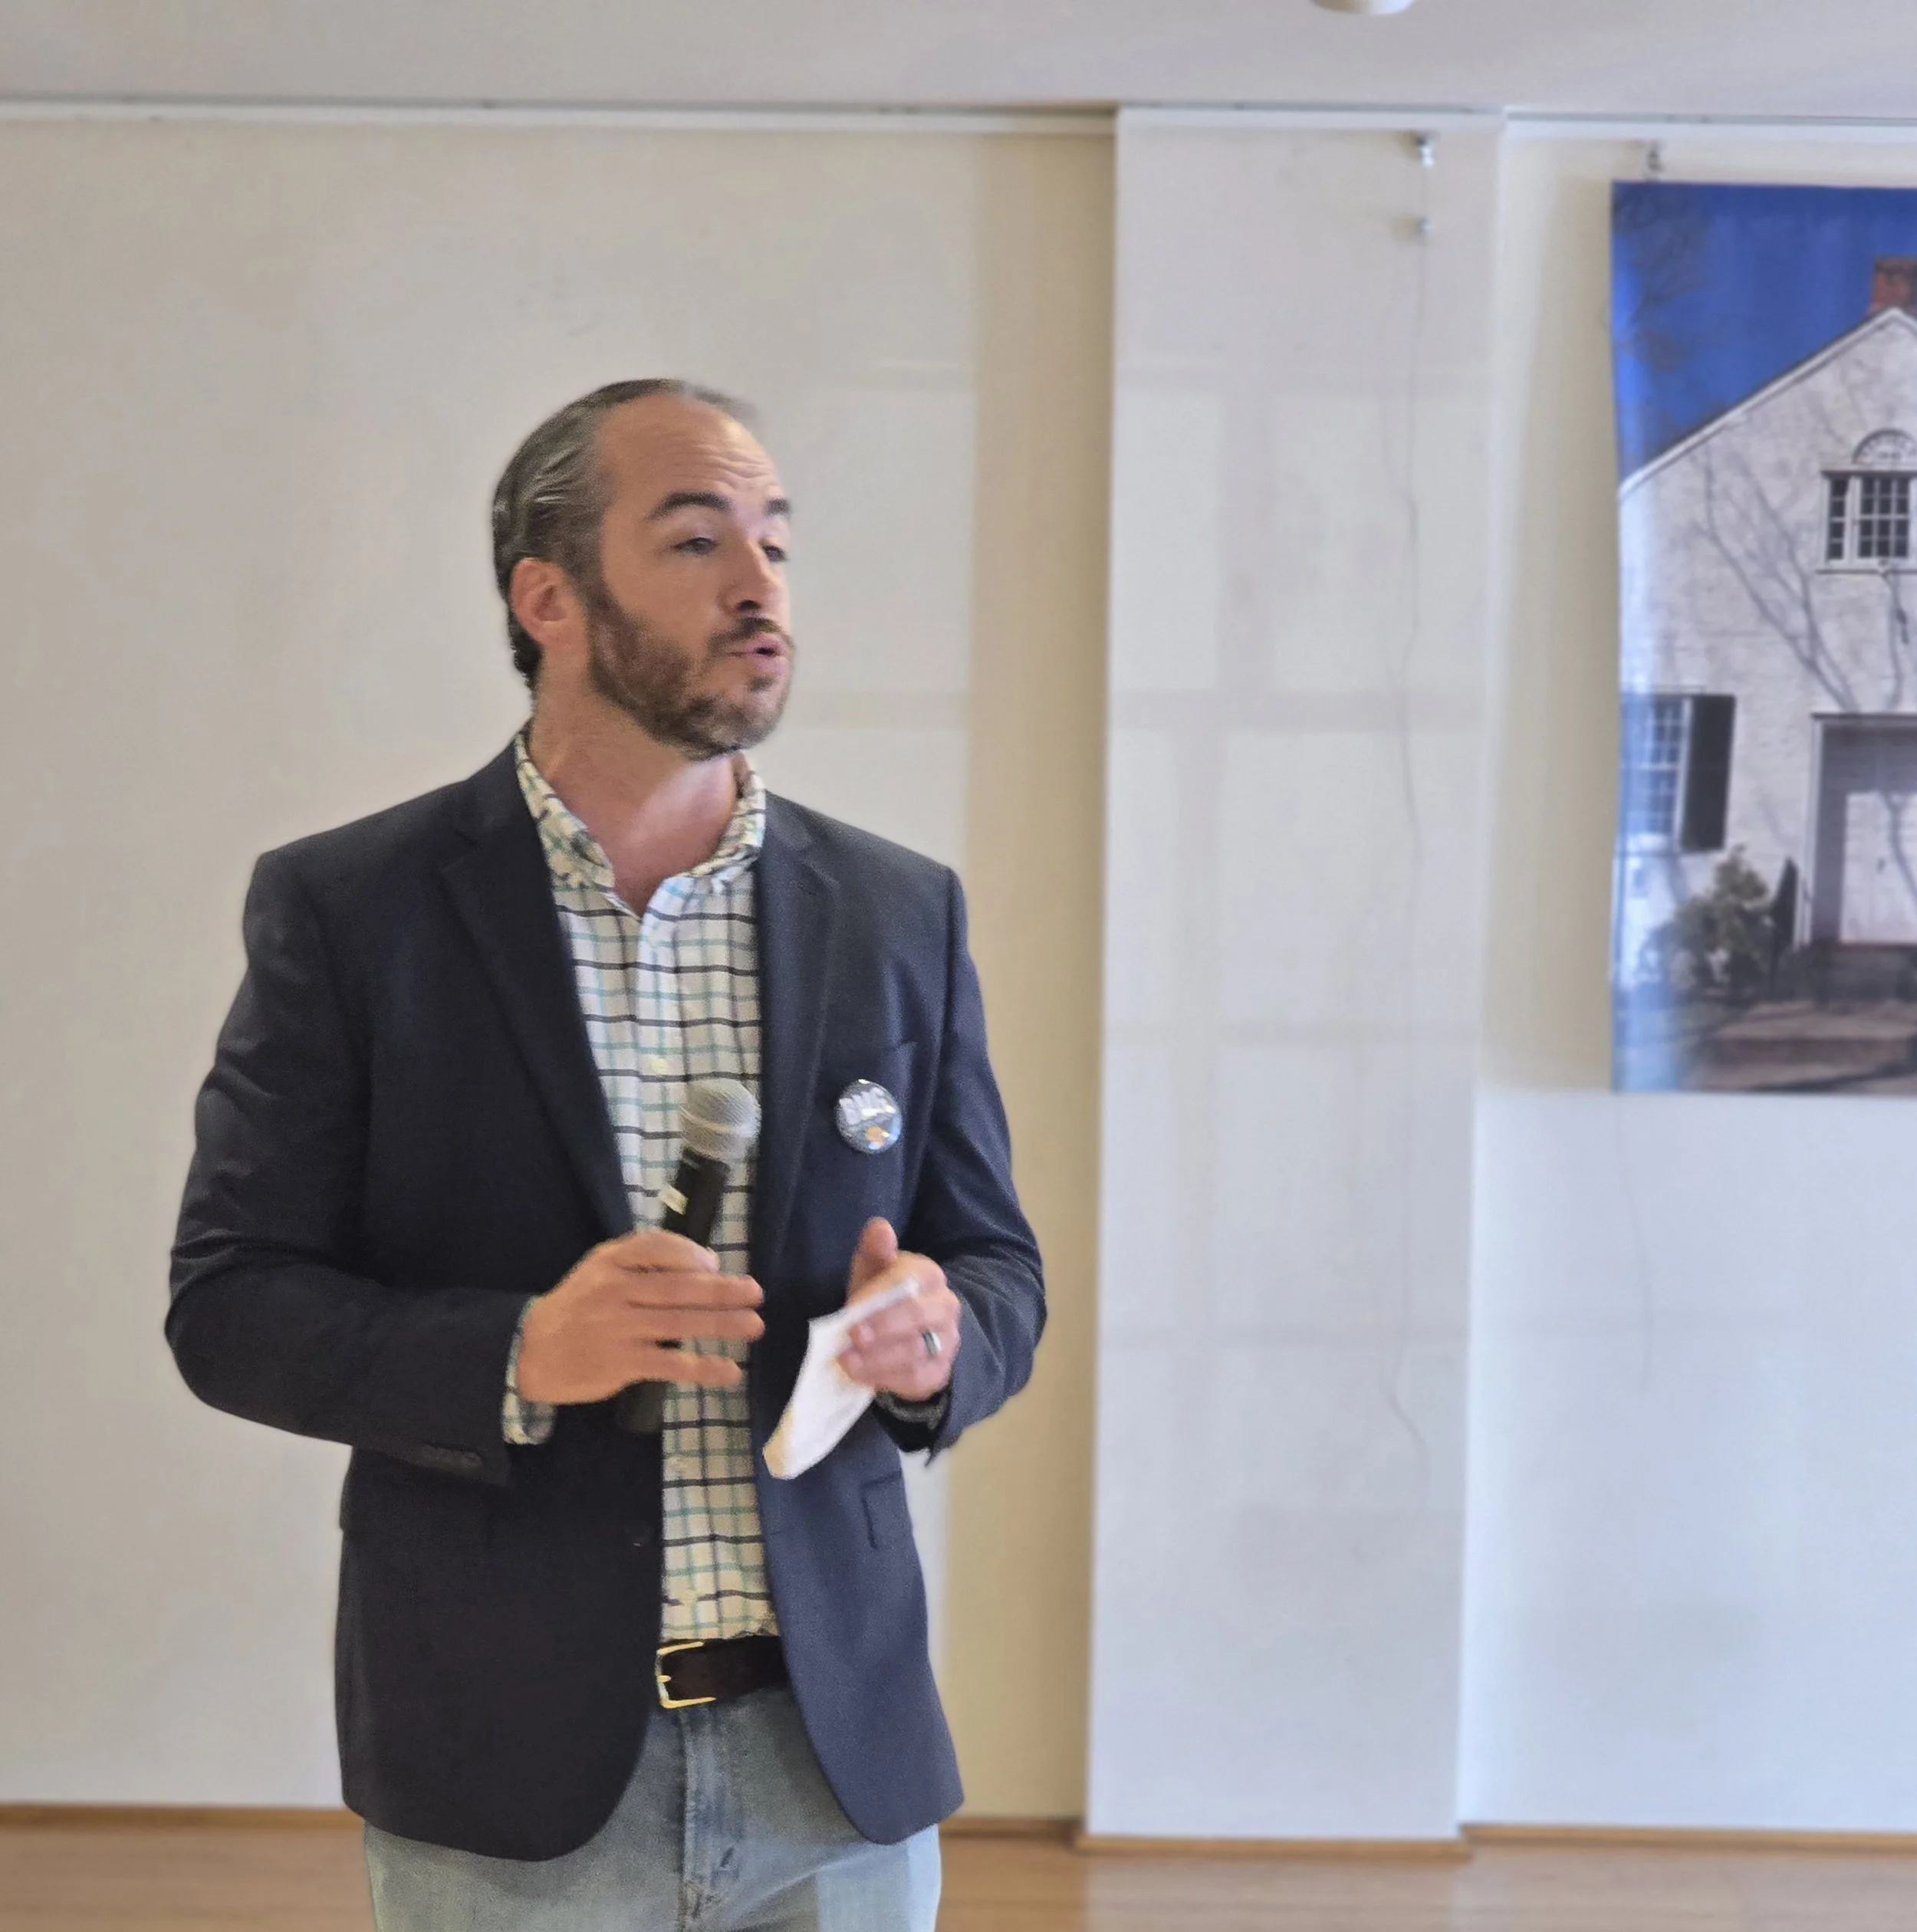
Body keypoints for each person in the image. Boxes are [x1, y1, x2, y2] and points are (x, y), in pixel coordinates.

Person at [167, 379, 1045, 1931]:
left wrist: (934, 1339)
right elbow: (231, 1303)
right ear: (548, 596)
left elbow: (994, 1265)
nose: (760, 583)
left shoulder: (901, 914)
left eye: (775, 539)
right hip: (507, 1777)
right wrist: (520, 1351)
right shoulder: (353, 911)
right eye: (697, 538)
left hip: (832, 1768)